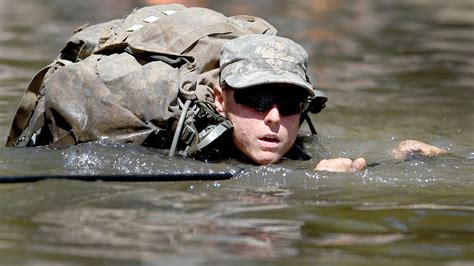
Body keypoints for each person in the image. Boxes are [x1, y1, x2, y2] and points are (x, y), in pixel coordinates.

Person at [210, 34, 446, 172]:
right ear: (221, 100)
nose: (274, 117)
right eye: (255, 99)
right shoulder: (179, 149)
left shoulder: (308, 151)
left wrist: (403, 155)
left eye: (291, 102)